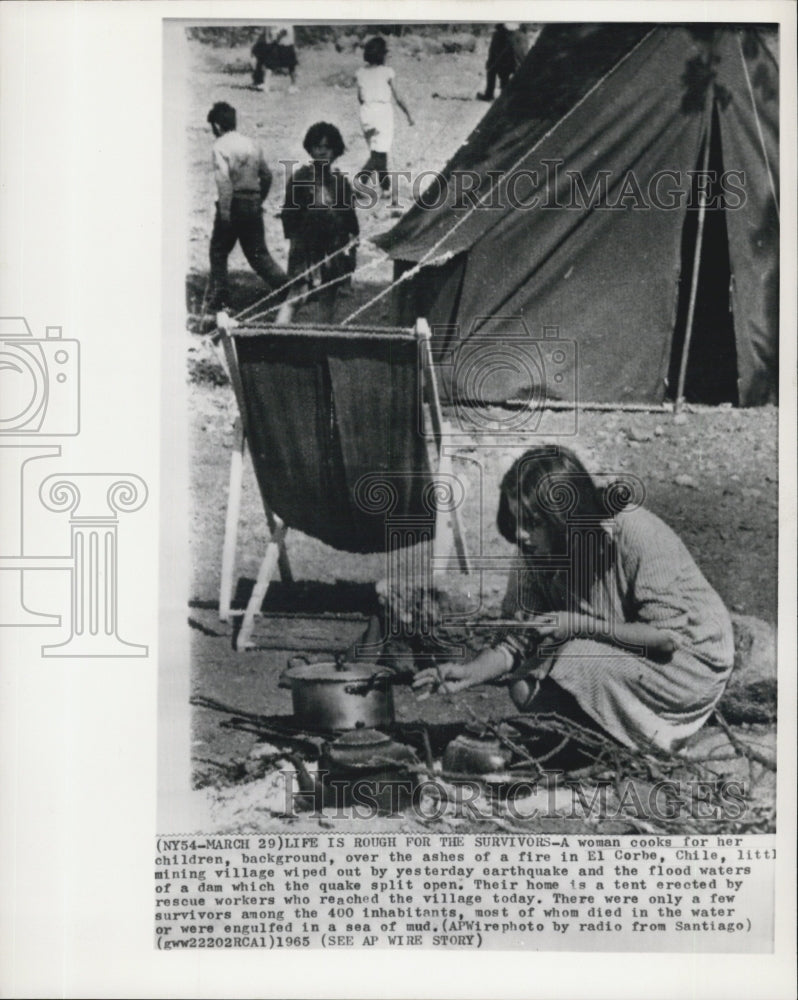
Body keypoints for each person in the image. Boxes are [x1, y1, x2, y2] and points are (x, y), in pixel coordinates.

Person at [413, 446, 735, 756]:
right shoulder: (535, 551)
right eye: (516, 520)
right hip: (613, 649)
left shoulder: (636, 532)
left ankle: (639, 742)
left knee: (577, 658)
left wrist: (577, 624)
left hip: (687, 661)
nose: (522, 535)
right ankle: (598, 742)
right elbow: (515, 641)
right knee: (524, 683)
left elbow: (666, 640)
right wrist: (469, 673)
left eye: (534, 522)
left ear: (565, 517)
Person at [205, 102, 286, 314]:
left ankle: (220, 299)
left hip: (232, 203)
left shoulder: (220, 146)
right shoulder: (251, 144)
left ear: (216, 125)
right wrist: (258, 201)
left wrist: (224, 214)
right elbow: (267, 176)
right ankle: (288, 289)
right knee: (259, 255)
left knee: (218, 251)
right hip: (251, 203)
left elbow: (224, 182)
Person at [276, 122, 359, 325]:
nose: (322, 152)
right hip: (305, 247)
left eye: (327, 147)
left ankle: (320, 346)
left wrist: (352, 240)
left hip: (332, 248)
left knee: (328, 295)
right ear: (310, 148)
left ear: (335, 151)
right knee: (297, 295)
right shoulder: (301, 177)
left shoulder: (340, 182)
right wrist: (297, 241)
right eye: (317, 146)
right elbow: (289, 214)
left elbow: (349, 216)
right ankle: (274, 340)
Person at [355, 36, 414, 205]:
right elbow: (399, 97)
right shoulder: (388, 72)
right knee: (379, 154)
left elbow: (360, 97)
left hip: (366, 112)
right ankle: (360, 183)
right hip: (383, 113)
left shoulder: (360, 73)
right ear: (382, 55)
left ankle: (385, 189)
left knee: (377, 152)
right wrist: (408, 114)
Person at [477, 23, 527, 100]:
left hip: (506, 66)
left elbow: (492, 53)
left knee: (491, 69)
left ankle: (489, 94)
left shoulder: (498, 35)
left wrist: (489, 64)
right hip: (520, 65)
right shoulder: (522, 35)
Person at [251, 24, 298, 92]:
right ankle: (266, 85)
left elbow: (285, 30)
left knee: (291, 66)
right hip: (276, 44)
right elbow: (268, 32)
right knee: (269, 65)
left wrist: (277, 36)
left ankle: (294, 85)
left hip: (287, 43)